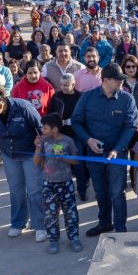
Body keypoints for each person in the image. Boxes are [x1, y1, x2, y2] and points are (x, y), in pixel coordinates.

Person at [71, 63, 137, 236]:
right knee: (100, 192)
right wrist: (88, 140)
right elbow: (76, 121)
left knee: (117, 192)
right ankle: (105, 223)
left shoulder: (127, 99)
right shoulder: (87, 98)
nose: (122, 82)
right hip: (94, 153)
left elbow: (130, 126)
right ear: (106, 80)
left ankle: (120, 228)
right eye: (118, 79)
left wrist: (117, 149)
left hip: (117, 153)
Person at [0, 84, 46, 241]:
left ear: (1, 104)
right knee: (16, 190)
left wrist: (43, 147)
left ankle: (40, 225)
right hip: (9, 155)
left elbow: (41, 128)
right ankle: (17, 223)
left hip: (30, 154)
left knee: (35, 190)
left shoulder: (23, 107)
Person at [34, 113, 83, 254]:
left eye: (44, 128)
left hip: (66, 183)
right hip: (49, 184)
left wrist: (63, 158)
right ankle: (53, 240)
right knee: (50, 214)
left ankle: (74, 238)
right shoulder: (44, 141)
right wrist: (37, 147)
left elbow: (76, 160)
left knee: (70, 213)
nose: (42, 130)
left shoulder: (68, 141)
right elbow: (36, 162)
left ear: (54, 129)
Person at [46, 73, 88, 201]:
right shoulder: (56, 97)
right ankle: (61, 191)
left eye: (66, 85)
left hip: (77, 137)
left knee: (78, 164)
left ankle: (82, 190)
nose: (63, 87)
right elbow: (50, 115)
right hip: (60, 137)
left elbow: (87, 116)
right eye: (62, 84)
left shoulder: (81, 97)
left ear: (73, 84)